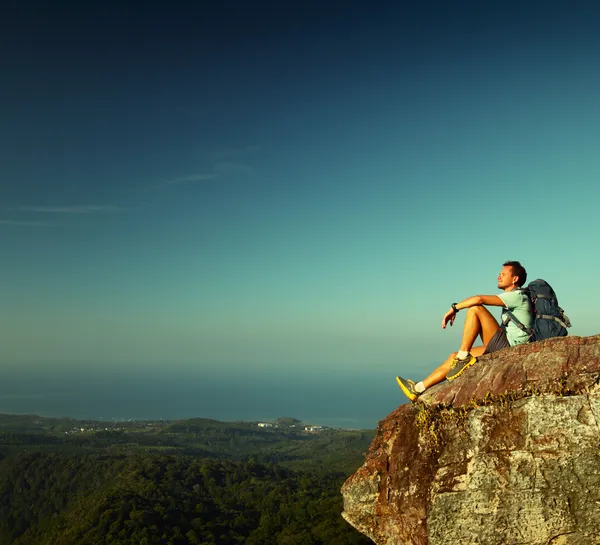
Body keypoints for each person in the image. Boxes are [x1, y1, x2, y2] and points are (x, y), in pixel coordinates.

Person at [396, 261, 533, 402]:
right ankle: (417, 389)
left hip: (511, 347)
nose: (499, 276)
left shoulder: (517, 296)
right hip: (506, 342)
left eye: (503, 274)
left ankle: (463, 357)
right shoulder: (514, 297)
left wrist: (455, 308)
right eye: (499, 274)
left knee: (475, 308)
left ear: (515, 279)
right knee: (453, 356)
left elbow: (479, 299)